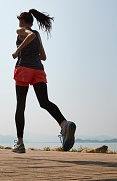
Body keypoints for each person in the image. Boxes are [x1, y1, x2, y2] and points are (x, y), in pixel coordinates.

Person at [11, 9, 76, 153]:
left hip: (24, 69)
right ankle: (64, 124)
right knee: (44, 102)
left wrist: (17, 51)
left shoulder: (22, 30)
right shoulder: (38, 35)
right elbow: (43, 56)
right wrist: (32, 53)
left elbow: (30, 35)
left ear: (22, 21)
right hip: (38, 70)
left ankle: (20, 144)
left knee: (20, 105)